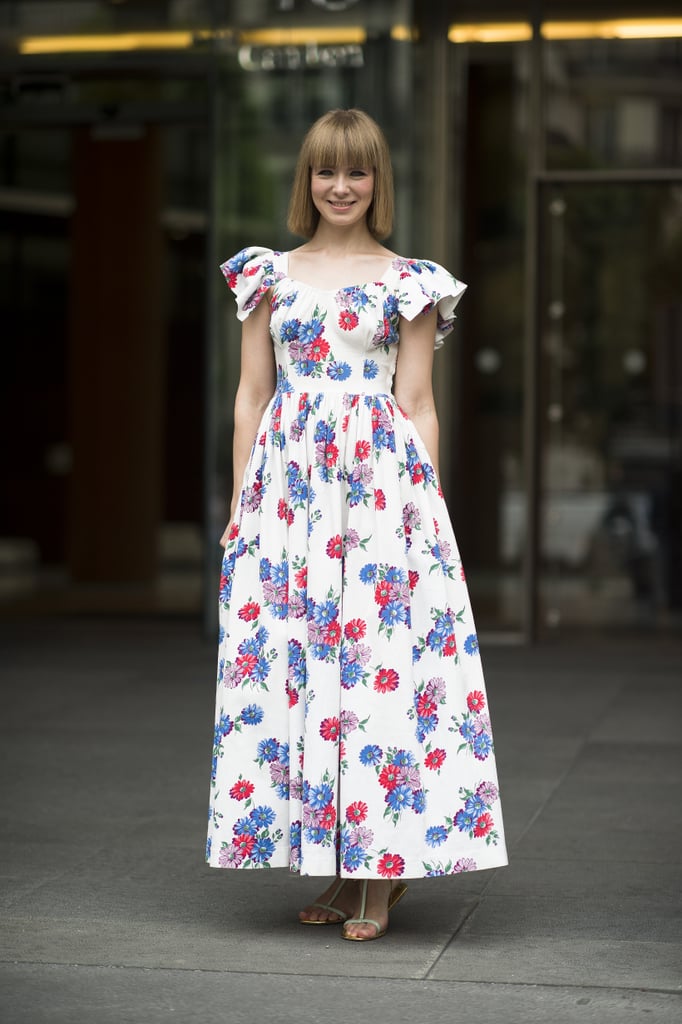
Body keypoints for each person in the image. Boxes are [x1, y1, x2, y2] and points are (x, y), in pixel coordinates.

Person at [206, 108, 507, 941]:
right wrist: (241, 501)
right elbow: (252, 396)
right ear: (305, 181)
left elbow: (415, 401)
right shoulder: (266, 273)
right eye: (325, 171)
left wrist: (429, 510)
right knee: (305, 667)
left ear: (380, 182)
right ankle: (339, 866)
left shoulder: (412, 281)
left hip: (378, 492)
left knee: (375, 665)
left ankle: (384, 871)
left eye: (358, 171)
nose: (341, 186)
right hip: (290, 491)